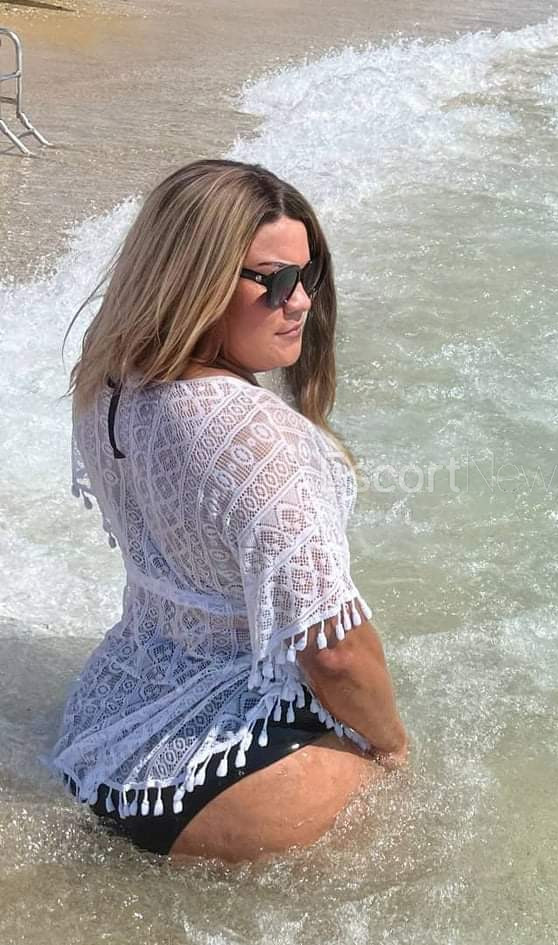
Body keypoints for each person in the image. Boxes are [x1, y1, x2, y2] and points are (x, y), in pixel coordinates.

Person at [49, 158, 408, 863]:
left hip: (102, 739)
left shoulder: (109, 376)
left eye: (308, 275)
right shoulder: (253, 431)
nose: (299, 301)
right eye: (272, 279)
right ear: (194, 278)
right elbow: (332, 648)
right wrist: (394, 748)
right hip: (239, 776)